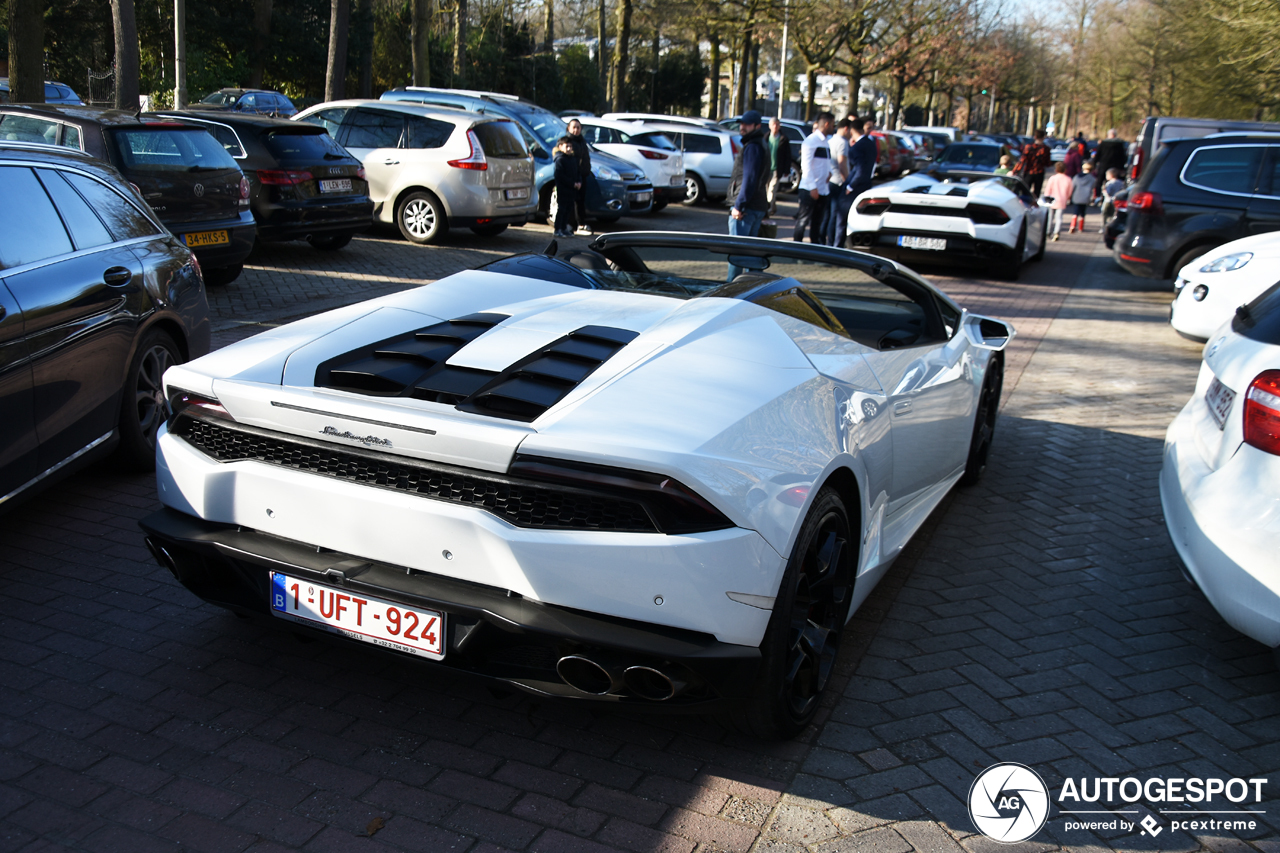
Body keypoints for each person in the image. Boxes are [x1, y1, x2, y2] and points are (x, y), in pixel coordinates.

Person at [726, 110, 771, 280]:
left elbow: (750, 178)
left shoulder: (753, 146)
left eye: (747, 124)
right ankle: (756, 287)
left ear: (757, 126)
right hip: (756, 205)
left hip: (746, 208)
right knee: (751, 254)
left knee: (737, 253)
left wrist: (739, 205)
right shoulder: (760, 144)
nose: (742, 127)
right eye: (742, 123)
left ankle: (731, 292)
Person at [834, 117, 877, 248]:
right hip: (866, 185)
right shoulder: (871, 144)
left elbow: (859, 169)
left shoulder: (857, 147)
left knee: (841, 219)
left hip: (854, 187)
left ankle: (837, 248)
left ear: (852, 130)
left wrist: (850, 186)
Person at [793, 111, 834, 243]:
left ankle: (815, 250)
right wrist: (812, 187)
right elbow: (806, 166)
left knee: (817, 223)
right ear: (826, 124)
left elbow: (825, 163)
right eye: (833, 124)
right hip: (810, 189)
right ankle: (796, 249)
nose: (834, 127)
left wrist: (829, 173)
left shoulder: (826, 142)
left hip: (823, 189)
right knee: (803, 221)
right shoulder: (811, 141)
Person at [824, 117, 854, 246]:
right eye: (850, 131)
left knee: (829, 214)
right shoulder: (842, 142)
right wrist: (847, 181)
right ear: (846, 128)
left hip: (830, 181)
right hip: (838, 182)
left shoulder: (831, 140)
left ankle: (826, 242)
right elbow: (842, 164)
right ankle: (832, 244)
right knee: (835, 216)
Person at [566, 119, 593, 236]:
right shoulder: (567, 141)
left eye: (578, 127)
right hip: (572, 176)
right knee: (570, 201)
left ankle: (581, 224)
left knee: (580, 201)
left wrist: (587, 170)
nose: (576, 130)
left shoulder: (582, 141)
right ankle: (568, 224)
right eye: (574, 127)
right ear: (569, 128)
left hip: (583, 175)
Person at [552, 136, 580, 238]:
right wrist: (572, 183)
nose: (569, 148)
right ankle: (557, 229)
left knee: (568, 209)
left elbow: (577, 172)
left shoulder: (572, 159)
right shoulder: (560, 159)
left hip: (572, 190)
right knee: (562, 209)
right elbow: (559, 176)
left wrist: (578, 181)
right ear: (560, 147)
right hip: (563, 189)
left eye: (570, 146)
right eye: (566, 146)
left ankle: (564, 228)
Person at [1011, 128, 1051, 196]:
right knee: (1036, 193)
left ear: (1035, 137)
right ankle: (1034, 205)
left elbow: (1022, 160)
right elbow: (1048, 163)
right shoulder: (1046, 149)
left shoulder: (1028, 147)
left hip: (1028, 172)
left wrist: (1015, 171)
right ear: (1043, 137)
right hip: (1039, 172)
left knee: (1025, 192)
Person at [766, 117, 792, 217]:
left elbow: (787, 155)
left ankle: (768, 209)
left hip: (777, 168)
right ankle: (773, 207)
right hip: (767, 168)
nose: (775, 126)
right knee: (767, 189)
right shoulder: (766, 137)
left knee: (772, 189)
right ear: (770, 126)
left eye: (777, 124)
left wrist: (786, 169)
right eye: (773, 124)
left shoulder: (783, 139)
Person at [1093, 128, 1127, 199]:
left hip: (1103, 165)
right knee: (1116, 181)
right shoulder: (1119, 144)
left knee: (1100, 181)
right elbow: (1123, 156)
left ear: (1108, 135)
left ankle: (1098, 197)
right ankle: (1115, 196)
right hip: (1116, 166)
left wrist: (1094, 163)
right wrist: (1122, 167)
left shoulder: (1103, 143)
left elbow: (1097, 154)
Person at [1043, 162, 1073, 241]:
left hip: (1052, 199)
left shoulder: (1053, 178)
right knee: (1059, 218)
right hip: (1062, 200)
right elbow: (1070, 191)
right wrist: (1068, 198)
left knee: (1050, 217)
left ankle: (1048, 231)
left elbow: (1048, 189)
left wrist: (1046, 198)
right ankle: (1057, 232)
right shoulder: (1068, 179)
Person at [1068, 162, 1094, 233]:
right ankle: (1080, 227)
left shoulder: (1077, 177)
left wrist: (1070, 195)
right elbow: (1093, 187)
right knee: (1083, 212)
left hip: (1077, 196)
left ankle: (1073, 225)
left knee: (1075, 212)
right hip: (1086, 197)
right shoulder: (1092, 178)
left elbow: (1073, 186)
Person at [1100, 166, 1125, 233]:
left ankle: (1104, 228)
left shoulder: (1109, 183)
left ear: (1110, 175)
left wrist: (1104, 192)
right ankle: (1110, 227)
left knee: (1104, 215)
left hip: (1108, 201)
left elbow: (1108, 192)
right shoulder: (1121, 183)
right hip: (1116, 201)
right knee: (1112, 215)